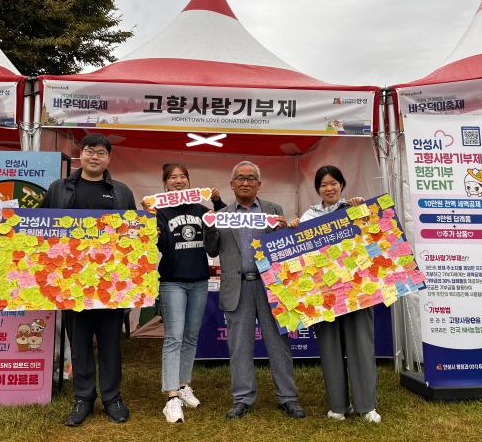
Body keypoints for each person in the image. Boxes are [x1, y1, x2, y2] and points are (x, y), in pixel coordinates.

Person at [40, 133, 136, 427]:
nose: (94, 157)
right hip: (71, 284)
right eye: (89, 151)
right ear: (80, 154)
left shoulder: (120, 191)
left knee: (110, 343)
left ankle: (112, 398)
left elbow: (134, 234)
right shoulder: (59, 188)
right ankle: (82, 398)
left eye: (101, 153)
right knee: (79, 343)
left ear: (109, 158)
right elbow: (39, 227)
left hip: (111, 285)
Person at [204, 161, 305, 420]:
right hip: (237, 287)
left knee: (278, 344)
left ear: (259, 184)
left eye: (251, 178)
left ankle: (288, 397)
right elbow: (212, 250)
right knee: (239, 347)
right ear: (232, 184)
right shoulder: (222, 214)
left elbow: (286, 248)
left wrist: (287, 232)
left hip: (270, 287)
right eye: (240, 178)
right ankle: (242, 398)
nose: (245, 182)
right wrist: (209, 226)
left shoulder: (274, 211)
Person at [289, 165, 381, 424]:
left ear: (342, 185)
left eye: (333, 183)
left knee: (361, 346)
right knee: (329, 347)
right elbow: (297, 252)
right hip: (324, 293)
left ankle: (366, 406)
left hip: (357, 291)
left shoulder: (354, 208)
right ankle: (338, 405)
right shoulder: (308, 216)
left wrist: (363, 211)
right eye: (323, 184)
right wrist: (294, 228)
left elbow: (376, 236)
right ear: (317, 189)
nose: (329, 188)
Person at [144, 163, 225, 424]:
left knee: (190, 337)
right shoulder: (160, 212)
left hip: (199, 280)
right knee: (174, 338)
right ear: (165, 184)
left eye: (183, 177)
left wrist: (218, 201)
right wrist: (150, 221)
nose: (178, 181)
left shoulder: (202, 210)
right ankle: (171, 398)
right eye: (172, 177)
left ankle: (183, 384)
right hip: (172, 281)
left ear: (189, 181)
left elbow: (222, 231)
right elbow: (160, 245)